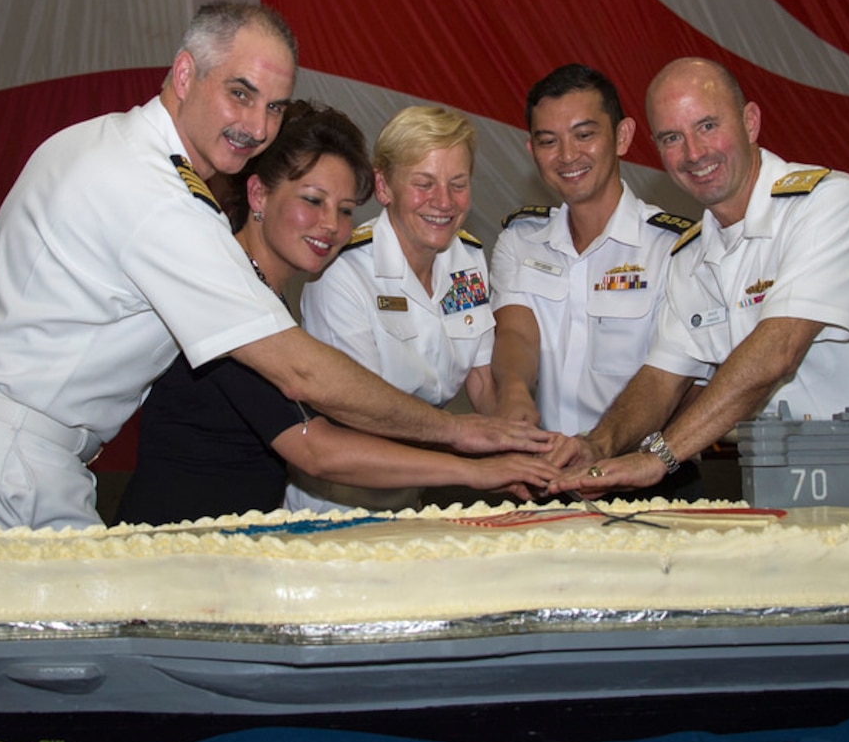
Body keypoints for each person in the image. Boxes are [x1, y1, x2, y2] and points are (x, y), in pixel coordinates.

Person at [0, 1, 548, 532]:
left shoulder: (89, 141)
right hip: (13, 461)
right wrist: (461, 438)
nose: (257, 125)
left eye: (273, 106)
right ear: (185, 75)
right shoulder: (164, 202)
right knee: (64, 677)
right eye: (241, 94)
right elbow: (301, 380)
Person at [116, 103, 558, 523]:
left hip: (236, 542)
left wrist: (509, 430)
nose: (330, 224)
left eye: (344, 210)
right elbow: (318, 447)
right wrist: (471, 460)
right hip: (170, 546)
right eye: (312, 200)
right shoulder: (227, 292)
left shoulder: (261, 293)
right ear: (259, 194)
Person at [547, 57, 849, 508]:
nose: (693, 153)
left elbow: (779, 350)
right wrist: (599, 445)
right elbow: (661, 378)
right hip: (781, 510)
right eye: (672, 138)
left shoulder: (827, 205)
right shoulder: (690, 256)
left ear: (750, 122)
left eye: (708, 125)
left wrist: (659, 457)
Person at [488, 64, 701, 499]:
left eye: (584, 135)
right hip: (544, 478)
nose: (567, 155)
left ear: (622, 137)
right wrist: (513, 398)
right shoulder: (519, 240)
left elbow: (691, 382)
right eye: (549, 141)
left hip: (650, 481)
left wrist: (629, 451)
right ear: (532, 149)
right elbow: (516, 333)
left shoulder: (675, 247)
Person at [286, 106, 496, 514]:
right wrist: (471, 447)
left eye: (458, 184)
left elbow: (483, 380)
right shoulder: (344, 273)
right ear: (383, 186)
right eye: (424, 183)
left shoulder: (468, 262)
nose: (444, 202)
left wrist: (522, 440)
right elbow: (359, 416)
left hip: (413, 494)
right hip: (334, 506)